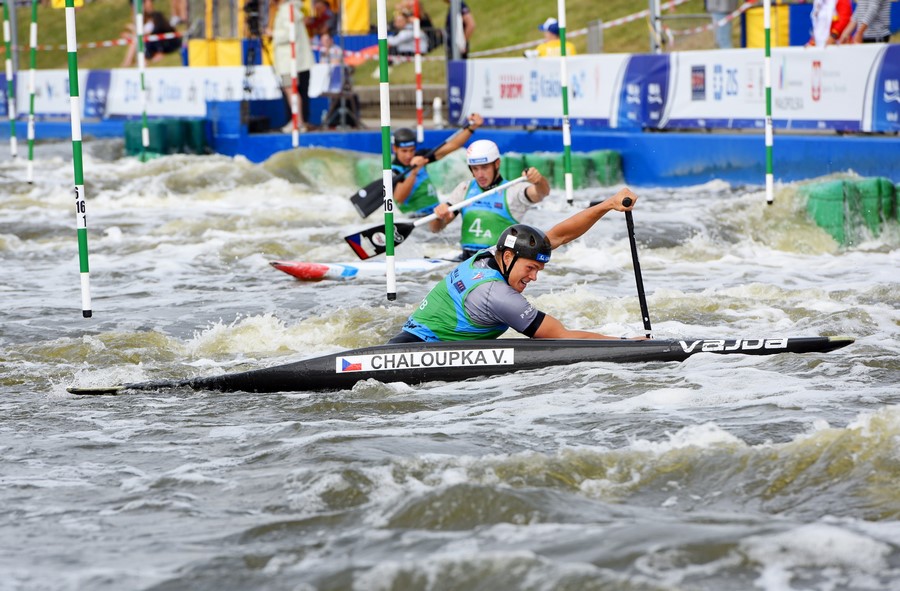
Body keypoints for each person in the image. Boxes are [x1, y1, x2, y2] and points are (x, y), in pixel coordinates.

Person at [387, 188, 643, 343]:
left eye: (538, 270)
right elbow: (562, 336)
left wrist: (609, 204)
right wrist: (626, 342)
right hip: (418, 353)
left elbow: (559, 235)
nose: (534, 278)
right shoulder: (498, 295)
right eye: (531, 268)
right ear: (509, 258)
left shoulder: (493, 253)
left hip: (408, 341)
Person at [429, 139, 550, 260]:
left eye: (484, 167)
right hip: (466, 259)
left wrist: (539, 181)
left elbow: (542, 193)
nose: (480, 174)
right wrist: (439, 217)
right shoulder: (464, 189)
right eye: (475, 169)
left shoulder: (513, 190)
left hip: (498, 260)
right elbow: (435, 229)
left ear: (497, 164)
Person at [391, 113, 483, 217]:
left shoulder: (420, 157)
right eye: (404, 151)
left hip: (436, 214)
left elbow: (451, 146)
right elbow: (399, 199)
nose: (408, 155)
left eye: (412, 150)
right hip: (415, 218)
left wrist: (471, 128)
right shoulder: (394, 171)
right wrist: (414, 172)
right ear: (395, 149)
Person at [269, 0, 315, 132]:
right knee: (292, 89)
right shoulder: (293, 9)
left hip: (288, 61)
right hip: (293, 60)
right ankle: (298, 120)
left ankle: (298, 121)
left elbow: (290, 33)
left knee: (290, 89)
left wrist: (272, 34)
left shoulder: (286, 10)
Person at [121, 3, 181, 67]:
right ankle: (131, 61)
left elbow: (146, 33)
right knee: (136, 42)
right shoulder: (146, 23)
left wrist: (131, 32)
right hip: (152, 43)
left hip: (161, 44)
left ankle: (129, 61)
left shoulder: (153, 20)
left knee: (136, 42)